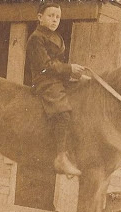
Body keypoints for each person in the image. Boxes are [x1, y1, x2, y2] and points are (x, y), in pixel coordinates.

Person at [26, 2, 85, 176]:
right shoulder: (36, 38)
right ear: (40, 17)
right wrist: (70, 69)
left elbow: (59, 65)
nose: (54, 20)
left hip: (57, 79)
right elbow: (45, 66)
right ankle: (60, 157)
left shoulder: (57, 38)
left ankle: (72, 152)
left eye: (57, 17)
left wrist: (78, 76)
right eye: (50, 15)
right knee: (63, 112)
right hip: (44, 81)